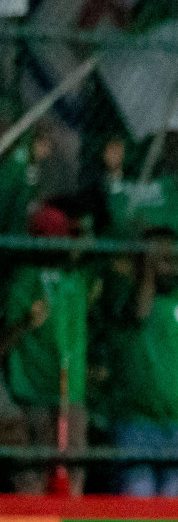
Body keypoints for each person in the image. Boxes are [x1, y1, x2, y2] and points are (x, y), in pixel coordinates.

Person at [5, 206, 95, 494]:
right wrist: (26, 322)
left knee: (73, 484)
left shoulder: (78, 278)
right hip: (35, 396)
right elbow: (5, 339)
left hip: (72, 397)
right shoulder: (25, 280)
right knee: (37, 487)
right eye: (55, 237)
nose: (64, 244)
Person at [110, 228, 178, 498]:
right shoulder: (124, 293)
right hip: (137, 421)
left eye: (176, 259)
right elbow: (139, 313)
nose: (173, 266)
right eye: (163, 259)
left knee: (170, 509)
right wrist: (147, 271)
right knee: (138, 507)